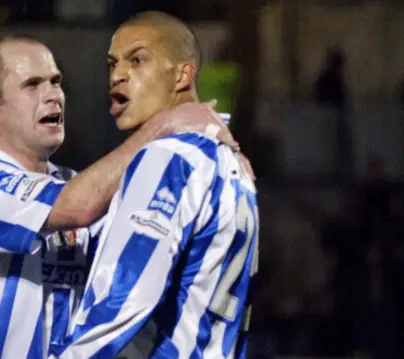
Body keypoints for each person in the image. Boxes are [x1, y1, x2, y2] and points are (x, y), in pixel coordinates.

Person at [0, 34, 239, 359]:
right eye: (32, 85)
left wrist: (221, 162)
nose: (53, 96)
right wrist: (163, 125)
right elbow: (77, 207)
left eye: (56, 82)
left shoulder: (71, 182)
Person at [51, 11, 259, 359]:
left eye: (138, 60)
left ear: (182, 74)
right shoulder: (232, 162)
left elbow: (123, 298)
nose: (117, 75)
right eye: (112, 63)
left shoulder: (168, 158)